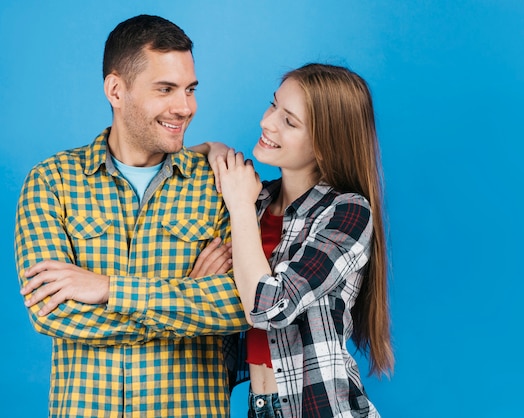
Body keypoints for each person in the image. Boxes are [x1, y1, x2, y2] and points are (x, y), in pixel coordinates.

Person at [14, 15, 248, 417]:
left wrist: (106, 288)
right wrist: (186, 297)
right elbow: (52, 312)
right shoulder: (51, 182)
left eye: (190, 89)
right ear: (116, 90)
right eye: (166, 89)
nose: (185, 107)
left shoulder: (223, 185)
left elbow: (242, 305)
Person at [194, 63, 394, 417]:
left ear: (326, 141)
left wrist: (238, 206)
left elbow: (269, 307)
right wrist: (214, 149)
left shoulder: (347, 213)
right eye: (273, 105)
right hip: (258, 406)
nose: (266, 122)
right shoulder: (256, 201)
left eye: (289, 121)